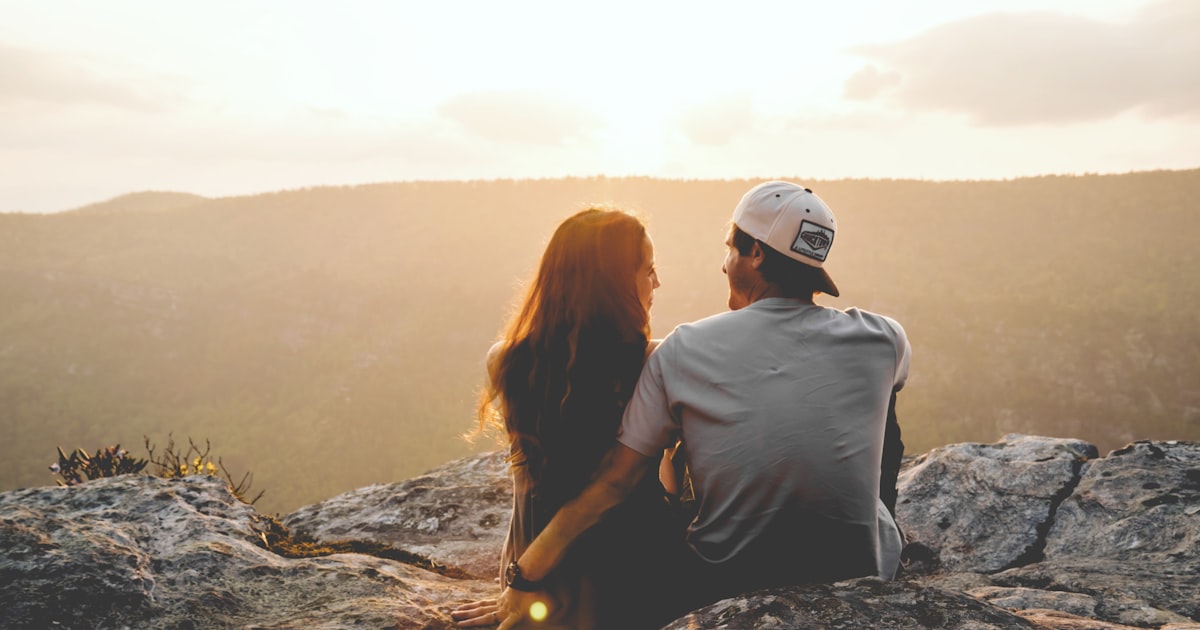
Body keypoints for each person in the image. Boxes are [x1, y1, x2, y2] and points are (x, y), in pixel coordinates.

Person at [490, 181, 912, 627]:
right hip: (860, 571)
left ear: (755, 255)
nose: (723, 264)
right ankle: (865, 527)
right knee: (882, 399)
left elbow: (614, 483)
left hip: (725, 580)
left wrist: (526, 575)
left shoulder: (685, 350)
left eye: (730, 249)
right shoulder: (884, 338)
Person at [452, 207, 684, 630]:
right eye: (648, 270)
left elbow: (530, 488)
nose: (657, 283)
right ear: (612, 285)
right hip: (633, 577)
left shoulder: (504, 360)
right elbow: (621, 486)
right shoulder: (655, 361)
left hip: (536, 572)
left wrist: (518, 577)